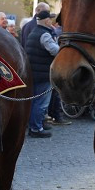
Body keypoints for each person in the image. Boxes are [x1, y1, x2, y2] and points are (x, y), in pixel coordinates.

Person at [25, 10, 59, 138]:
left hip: (34, 73)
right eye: (50, 19)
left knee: (35, 102)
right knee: (41, 103)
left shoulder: (34, 32)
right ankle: (36, 128)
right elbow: (55, 50)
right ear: (46, 21)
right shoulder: (45, 34)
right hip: (43, 74)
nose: (51, 21)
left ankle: (34, 125)